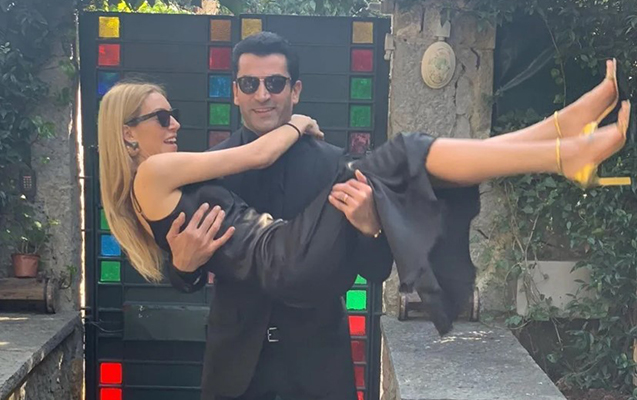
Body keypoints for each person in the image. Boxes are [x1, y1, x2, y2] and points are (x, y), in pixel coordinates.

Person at [98, 32, 629, 400]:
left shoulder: (325, 163)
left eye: (275, 84)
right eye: (250, 84)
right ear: (236, 91)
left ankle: (556, 140)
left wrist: (373, 227)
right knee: (400, 157)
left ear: (294, 89)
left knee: (404, 162)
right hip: (239, 365)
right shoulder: (195, 166)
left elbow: (374, 270)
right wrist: (184, 266)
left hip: (316, 365)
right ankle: (556, 145)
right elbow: (198, 243)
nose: (263, 94)